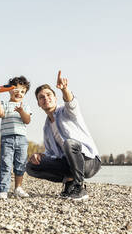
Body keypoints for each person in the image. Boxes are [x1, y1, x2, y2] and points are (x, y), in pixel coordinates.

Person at [27, 71, 101, 200]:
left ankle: (79, 187)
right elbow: (51, 153)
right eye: (41, 97)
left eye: (49, 95)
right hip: (68, 163)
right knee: (31, 167)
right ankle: (69, 181)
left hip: (89, 162)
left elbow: (71, 102)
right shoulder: (46, 128)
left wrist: (65, 89)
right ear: (39, 104)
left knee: (69, 143)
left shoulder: (67, 112)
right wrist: (40, 155)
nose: (46, 99)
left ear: (56, 98)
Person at [0, 76, 32, 199]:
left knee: (20, 164)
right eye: (16, 90)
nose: (19, 93)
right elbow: (0, 114)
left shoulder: (25, 106)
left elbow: (27, 120)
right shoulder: (5, 104)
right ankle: (3, 190)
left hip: (22, 140)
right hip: (7, 139)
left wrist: (21, 111)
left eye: (23, 91)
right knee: (6, 164)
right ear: (9, 90)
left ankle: (18, 188)